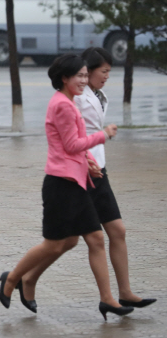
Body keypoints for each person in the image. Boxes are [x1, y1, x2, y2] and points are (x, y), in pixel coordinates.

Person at [0, 54, 132, 321]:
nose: (84, 80)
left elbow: (72, 143)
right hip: (61, 185)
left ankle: (107, 300)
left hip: (73, 181)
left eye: (85, 75)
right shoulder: (63, 105)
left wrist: (90, 162)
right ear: (64, 79)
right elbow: (72, 145)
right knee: (55, 244)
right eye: (79, 76)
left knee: (91, 239)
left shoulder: (67, 102)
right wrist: (103, 135)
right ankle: (12, 279)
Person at [72, 47, 155, 308]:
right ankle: (20, 278)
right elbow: (70, 138)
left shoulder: (97, 94)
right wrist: (86, 160)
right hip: (80, 173)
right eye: (104, 71)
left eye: (110, 71)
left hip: (99, 170)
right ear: (88, 71)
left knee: (117, 231)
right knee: (62, 243)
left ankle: (125, 292)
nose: (107, 76)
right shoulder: (74, 97)